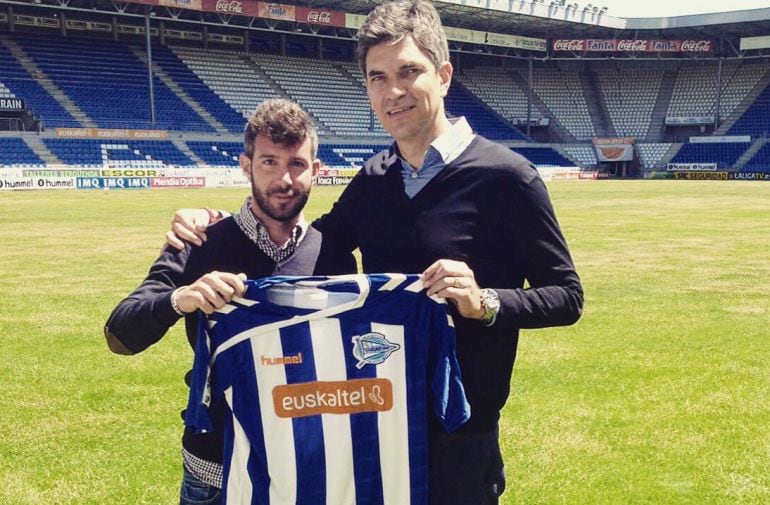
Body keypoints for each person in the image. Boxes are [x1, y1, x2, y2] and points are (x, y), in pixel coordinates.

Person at [168, 1, 583, 503]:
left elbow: (566, 296)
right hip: (376, 422)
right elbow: (307, 248)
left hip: (462, 436)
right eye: (377, 77)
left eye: (410, 71)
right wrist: (218, 226)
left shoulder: (508, 178)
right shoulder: (374, 179)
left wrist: (485, 302)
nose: (394, 92)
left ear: (444, 75)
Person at [104, 99, 355, 505]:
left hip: (306, 461)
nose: (284, 179)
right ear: (246, 164)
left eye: (297, 164)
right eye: (269, 162)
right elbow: (119, 335)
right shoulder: (199, 243)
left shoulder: (332, 255)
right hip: (215, 467)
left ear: (316, 170)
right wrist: (181, 299)